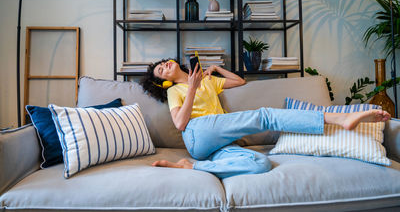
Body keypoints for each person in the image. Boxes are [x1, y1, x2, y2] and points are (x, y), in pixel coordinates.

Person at [140, 58, 391, 179]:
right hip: (198, 135)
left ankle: (191, 167)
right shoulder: (175, 91)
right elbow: (180, 124)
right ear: (164, 80)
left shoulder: (208, 81)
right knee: (265, 116)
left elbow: (239, 81)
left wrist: (215, 69)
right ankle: (339, 119)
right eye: (161, 70)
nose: (165, 65)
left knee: (260, 164)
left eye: (164, 62)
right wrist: (192, 87)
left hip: (216, 146)